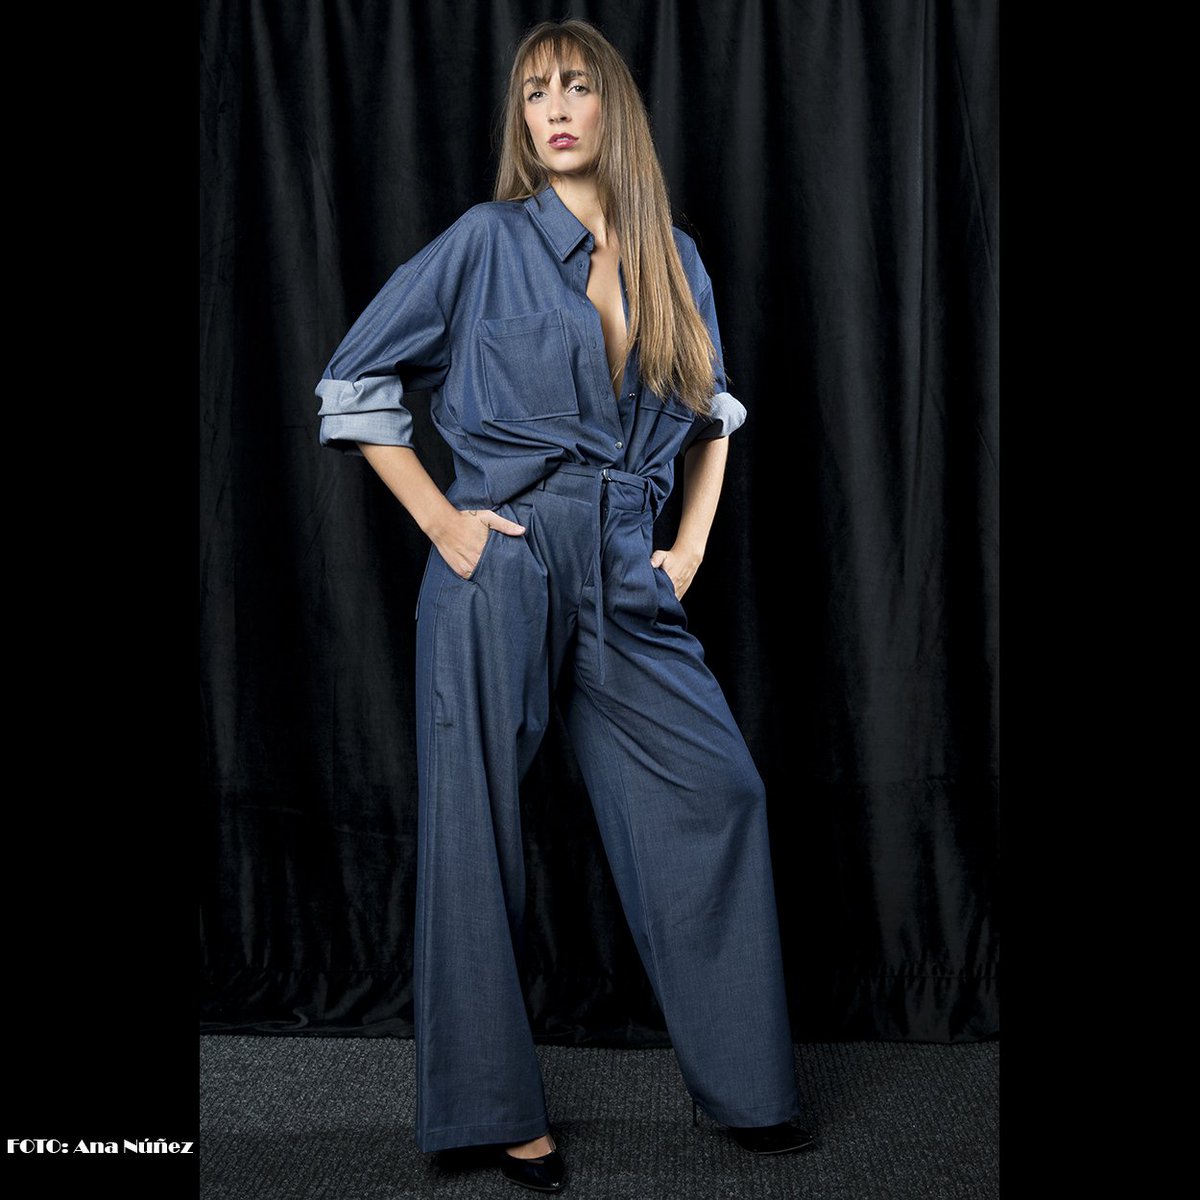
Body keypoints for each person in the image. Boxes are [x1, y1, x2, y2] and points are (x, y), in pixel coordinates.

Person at [315, 17, 813, 1193]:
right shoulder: (485, 243)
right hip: (505, 555)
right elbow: (354, 377)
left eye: (576, 86)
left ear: (612, 110)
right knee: (474, 825)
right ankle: (493, 1112)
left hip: (625, 570)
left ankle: (748, 1089)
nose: (553, 107)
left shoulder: (671, 255)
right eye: (534, 90)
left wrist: (684, 549)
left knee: (717, 788)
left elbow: (713, 415)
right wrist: (444, 523)